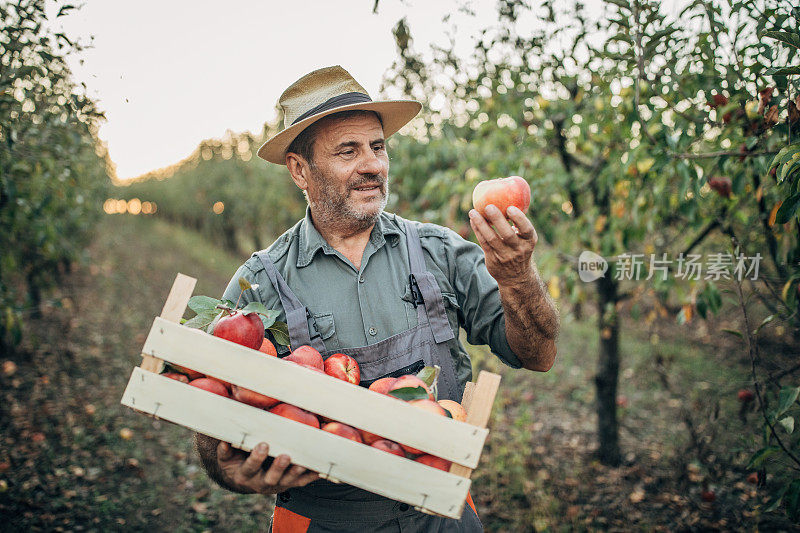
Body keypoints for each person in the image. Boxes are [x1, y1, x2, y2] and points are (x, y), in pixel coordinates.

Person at [195, 65, 559, 532]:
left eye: (378, 147)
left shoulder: (439, 252)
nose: (373, 164)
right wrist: (231, 471)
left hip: (440, 511)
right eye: (349, 150)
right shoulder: (258, 286)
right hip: (324, 520)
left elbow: (539, 355)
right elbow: (210, 422)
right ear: (300, 170)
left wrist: (518, 277)